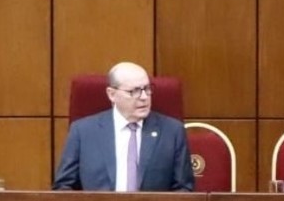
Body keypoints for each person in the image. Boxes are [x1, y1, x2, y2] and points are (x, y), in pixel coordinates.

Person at [53, 62, 194, 192]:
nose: (144, 97)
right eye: (134, 91)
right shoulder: (83, 131)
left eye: (147, 89)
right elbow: (63, 187)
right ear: (112, 94)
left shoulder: (172, 131)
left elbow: (184, 189)